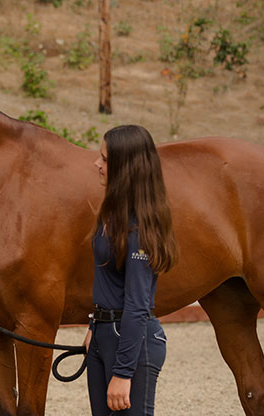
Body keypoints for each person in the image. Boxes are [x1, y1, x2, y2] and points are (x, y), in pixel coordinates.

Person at [84, 125, 178, 415]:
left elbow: (137, 304)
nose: (96, 164)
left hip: (131, 338)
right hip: (104, 333)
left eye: (105, 159)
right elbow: (109, 283)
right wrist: (94, 327)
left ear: (125, 168)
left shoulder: (139, 230)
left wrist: (124, 373)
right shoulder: (111, 215)